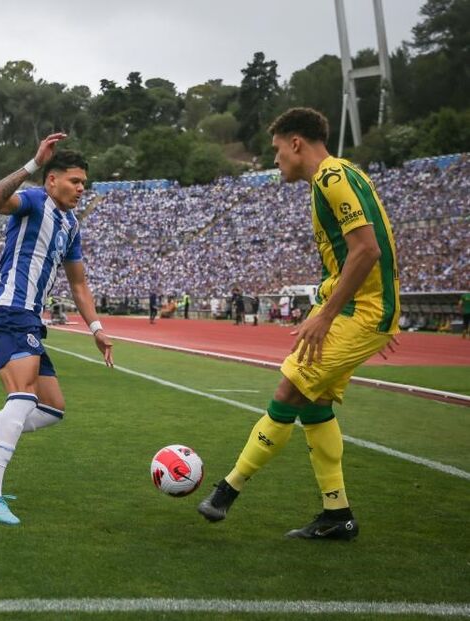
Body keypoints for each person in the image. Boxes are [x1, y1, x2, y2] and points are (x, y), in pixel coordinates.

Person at [198, 107, 400, 540]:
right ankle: (337, 515)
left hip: (356, 311)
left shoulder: (331, 177)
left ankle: (226, 492)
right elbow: (376, 242)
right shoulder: (337, 178)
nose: (275, 160)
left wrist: (336, 316)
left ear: (296, 143)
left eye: (276, 150)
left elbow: (368, 249)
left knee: (289, 390)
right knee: (313, 404)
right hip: (359, 309)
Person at [0, 134, 113, 526]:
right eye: (75, 181)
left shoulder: (71, 226)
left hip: (30, 318)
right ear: (52, 180)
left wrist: (97, 328)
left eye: (84, 183)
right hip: (9, 310)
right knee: (22, 397)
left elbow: (79, 284)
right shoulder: (34, 200)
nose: (81, 189)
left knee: (51, 408)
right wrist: (32, 164)